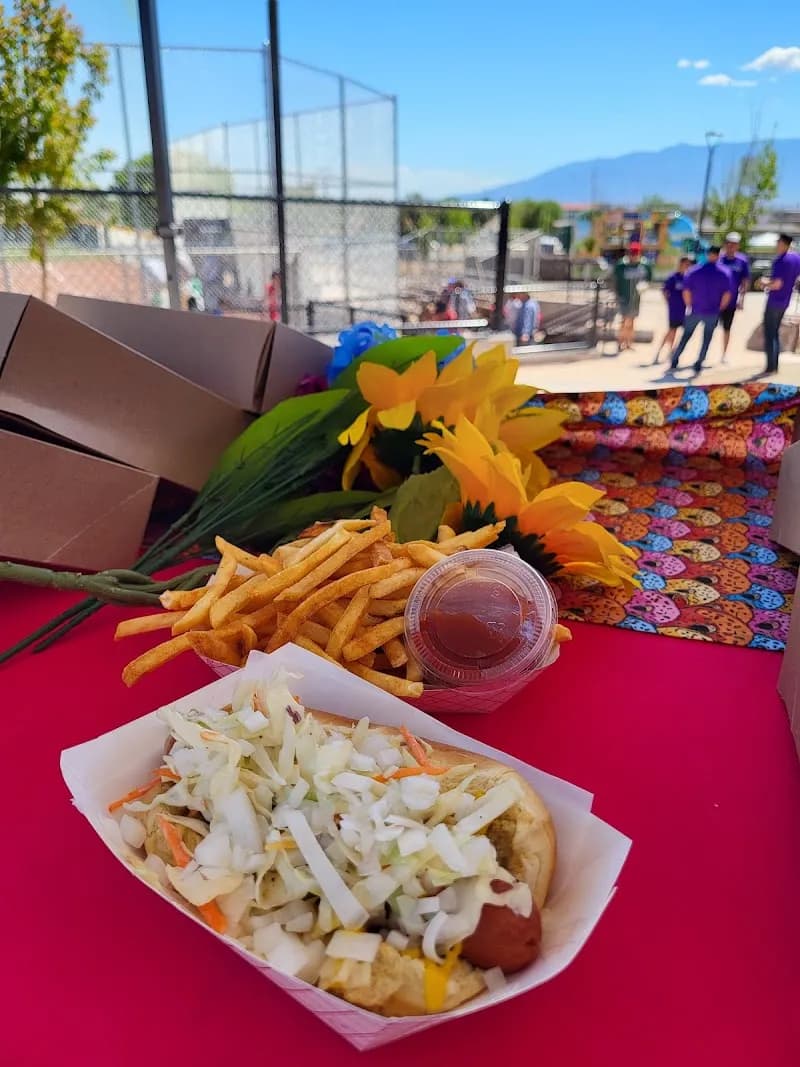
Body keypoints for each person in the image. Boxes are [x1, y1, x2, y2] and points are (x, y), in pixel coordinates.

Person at [669, 246, 731, 375]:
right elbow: (727, 294)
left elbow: (686, 291)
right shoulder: (724, 272)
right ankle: (699, 362)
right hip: (712, 311)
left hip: (696, 309)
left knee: (686, 336)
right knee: (706, 338)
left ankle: (675, 359)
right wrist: (720, 307)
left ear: (708, 254)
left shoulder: (693, 271)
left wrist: (689, 305)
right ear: (719, 255)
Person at [759, 233, 800, 375]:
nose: (776, 245)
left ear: (783, 243)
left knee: (770, 333)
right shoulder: (796, 258)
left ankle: (771, 367)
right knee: (774, 333)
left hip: (774, 300)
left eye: (778, 242)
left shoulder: (780, 261)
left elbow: (777, 284)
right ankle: (774, 365)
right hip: (785, 300)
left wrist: (764, 282)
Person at [612, 242, 652, 351]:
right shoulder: (621, 265)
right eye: (632, 253)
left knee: (633, 320)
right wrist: (616, 294)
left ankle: (629, 342)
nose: (634, 256)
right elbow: (614, 280)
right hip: (623, 297)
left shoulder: (644, 265)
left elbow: (648, 280)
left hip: (636, 298)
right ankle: (620, 342)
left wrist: (644, 287)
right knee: (624, 320)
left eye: (636, 253)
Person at [653, 256, 692, 364]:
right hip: (674, 309)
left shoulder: (688, 278)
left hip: (685, 310)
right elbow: (665, 290)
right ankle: (660, 352)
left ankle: (672, 352)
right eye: (685, 264)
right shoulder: (673, 277)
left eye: (688, 265)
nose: (687, 267)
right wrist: (669, 302)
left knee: (682, 332)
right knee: (671, 331)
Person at [718, 231, 750, 364]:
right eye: (729, 243)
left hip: (731, 301)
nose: (731, 246)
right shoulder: (719, 259)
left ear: (738, 246)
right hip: (715, 301)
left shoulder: (742, 261)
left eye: (734, 244)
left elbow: (745, 281)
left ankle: (723, 354)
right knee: (709, 326)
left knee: (727, 327)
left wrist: (742, 299)